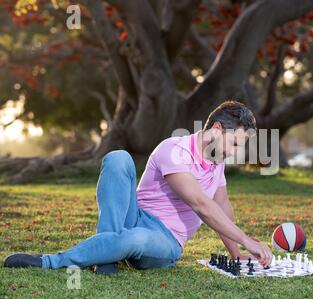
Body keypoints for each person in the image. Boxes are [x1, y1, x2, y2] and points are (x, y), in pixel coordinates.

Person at [4, 100, 272, 275]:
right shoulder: (175, 150)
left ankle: (99, 254)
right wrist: (247, 240)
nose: (235, 152)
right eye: (235, 144)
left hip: (165, 241)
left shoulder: (217, 162)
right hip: (135, 219)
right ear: (216, 129)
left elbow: (221, 206)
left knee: (135, 239)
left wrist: (237, 252)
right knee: (118, 157)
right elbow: (201, 205)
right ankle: (86, 258)